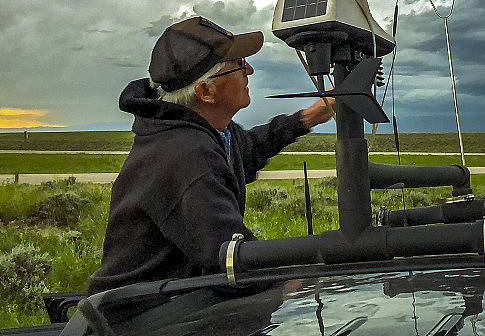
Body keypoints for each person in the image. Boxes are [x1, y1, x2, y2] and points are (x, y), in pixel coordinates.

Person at [88, 16, 333, 294]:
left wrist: (310, 117)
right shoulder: (185, 155)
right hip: (144, 312)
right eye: (239, 65)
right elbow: (231, 261)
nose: (249, 70)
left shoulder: (207, 133)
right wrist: (308, 280)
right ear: (206, 92)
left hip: (180, 296)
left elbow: (248, 148)